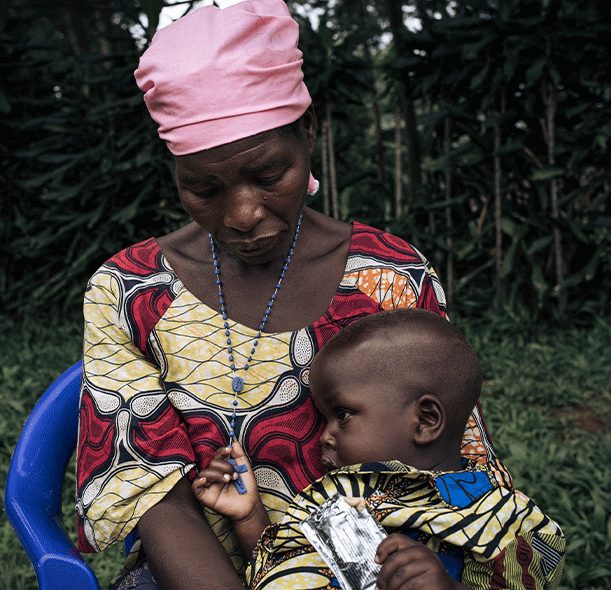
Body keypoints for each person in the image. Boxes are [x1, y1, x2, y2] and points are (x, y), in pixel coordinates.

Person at [74, 2, 506, 589]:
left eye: (268, 175)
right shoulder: (129, 292)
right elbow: (155, 500)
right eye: (203, 188)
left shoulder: (390, 274)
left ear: (308, 133)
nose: (243, 214)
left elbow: (461, 458)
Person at [192, 309, 565, 590]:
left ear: (424, 420)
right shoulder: (337, 498)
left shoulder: (496, 516)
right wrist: (248, 517)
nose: (325, 436)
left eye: (342, 415)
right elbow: (284, 563)